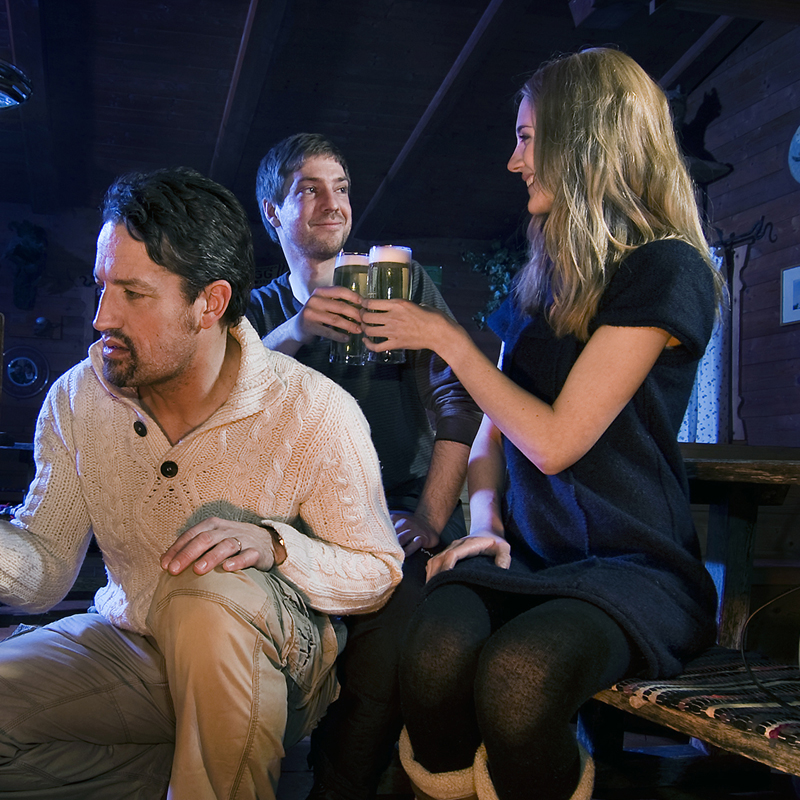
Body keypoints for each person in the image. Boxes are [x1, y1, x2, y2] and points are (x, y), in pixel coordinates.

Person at [359, 48, 725, 800]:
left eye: (527, 137)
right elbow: (494, 426)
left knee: (519, 679)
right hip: (530, 556)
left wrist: (447, 339)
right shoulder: (544, 277)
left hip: (633, 564)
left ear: (581, 137)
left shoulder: (667, 268)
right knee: (431, 655)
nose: (513, 160)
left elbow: (555, 441)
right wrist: (485, 522)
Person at [0, 166, 403, 800]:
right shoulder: (77, 398)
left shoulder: (314, 410)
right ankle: (181, 775)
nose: (102, 317)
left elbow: (378, 570)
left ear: (209, 304)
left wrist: (276, 545)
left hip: (272, 664)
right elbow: (46, 568)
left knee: (206, 588)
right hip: (130, 644)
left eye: (133, 293)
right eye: (102, 285)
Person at [248, 134, 482, 800]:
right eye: (310, 189)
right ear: (273, 213)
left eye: (342, 188)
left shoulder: (399, 284)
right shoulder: (258, 311)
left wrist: (431, 516)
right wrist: (298, 330)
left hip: (394, 511)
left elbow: (460, 398)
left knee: (394, 628)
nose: (333, 203)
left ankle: (339, 789)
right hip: (293, 525)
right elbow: (223, 398)